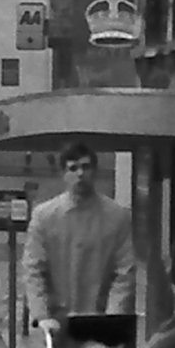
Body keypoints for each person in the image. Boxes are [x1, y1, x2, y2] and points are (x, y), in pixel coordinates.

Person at [23, 141, 138, 335]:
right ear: (64, 174)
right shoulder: (45, 216)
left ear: (95, 171)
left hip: (99, 318)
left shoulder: (117, 216)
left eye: (86, 167)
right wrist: (41, 315)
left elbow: (125, 270)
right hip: (56, 321)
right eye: (73, 168)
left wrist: (113, 316)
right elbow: (33, 268)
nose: (80, 174)